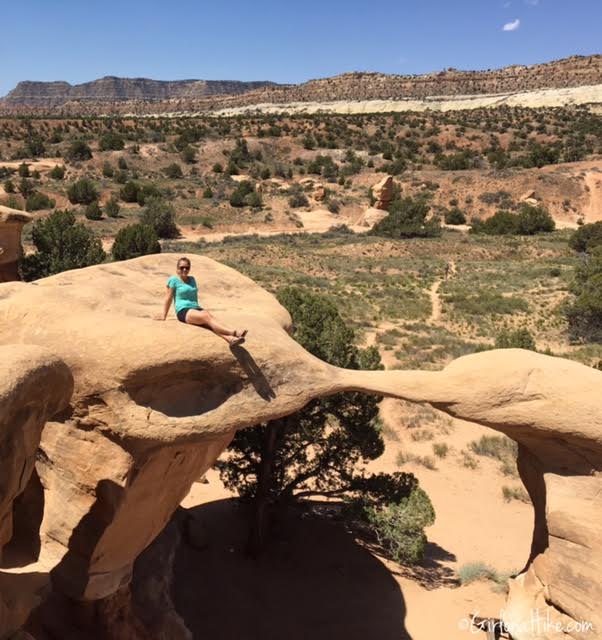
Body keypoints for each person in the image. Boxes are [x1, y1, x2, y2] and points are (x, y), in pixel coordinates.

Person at [156, 256, 247, 346]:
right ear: (177, 268)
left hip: (196, 308)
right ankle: (234, 332)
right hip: (183, 310)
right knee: (206, 316)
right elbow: (168, 298)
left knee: (210, 321)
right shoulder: (173, 280)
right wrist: (164, 315)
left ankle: (230, 339)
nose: (184, 270)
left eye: (187, 267)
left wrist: (198, 309)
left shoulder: (192, 279)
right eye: (182, 267)